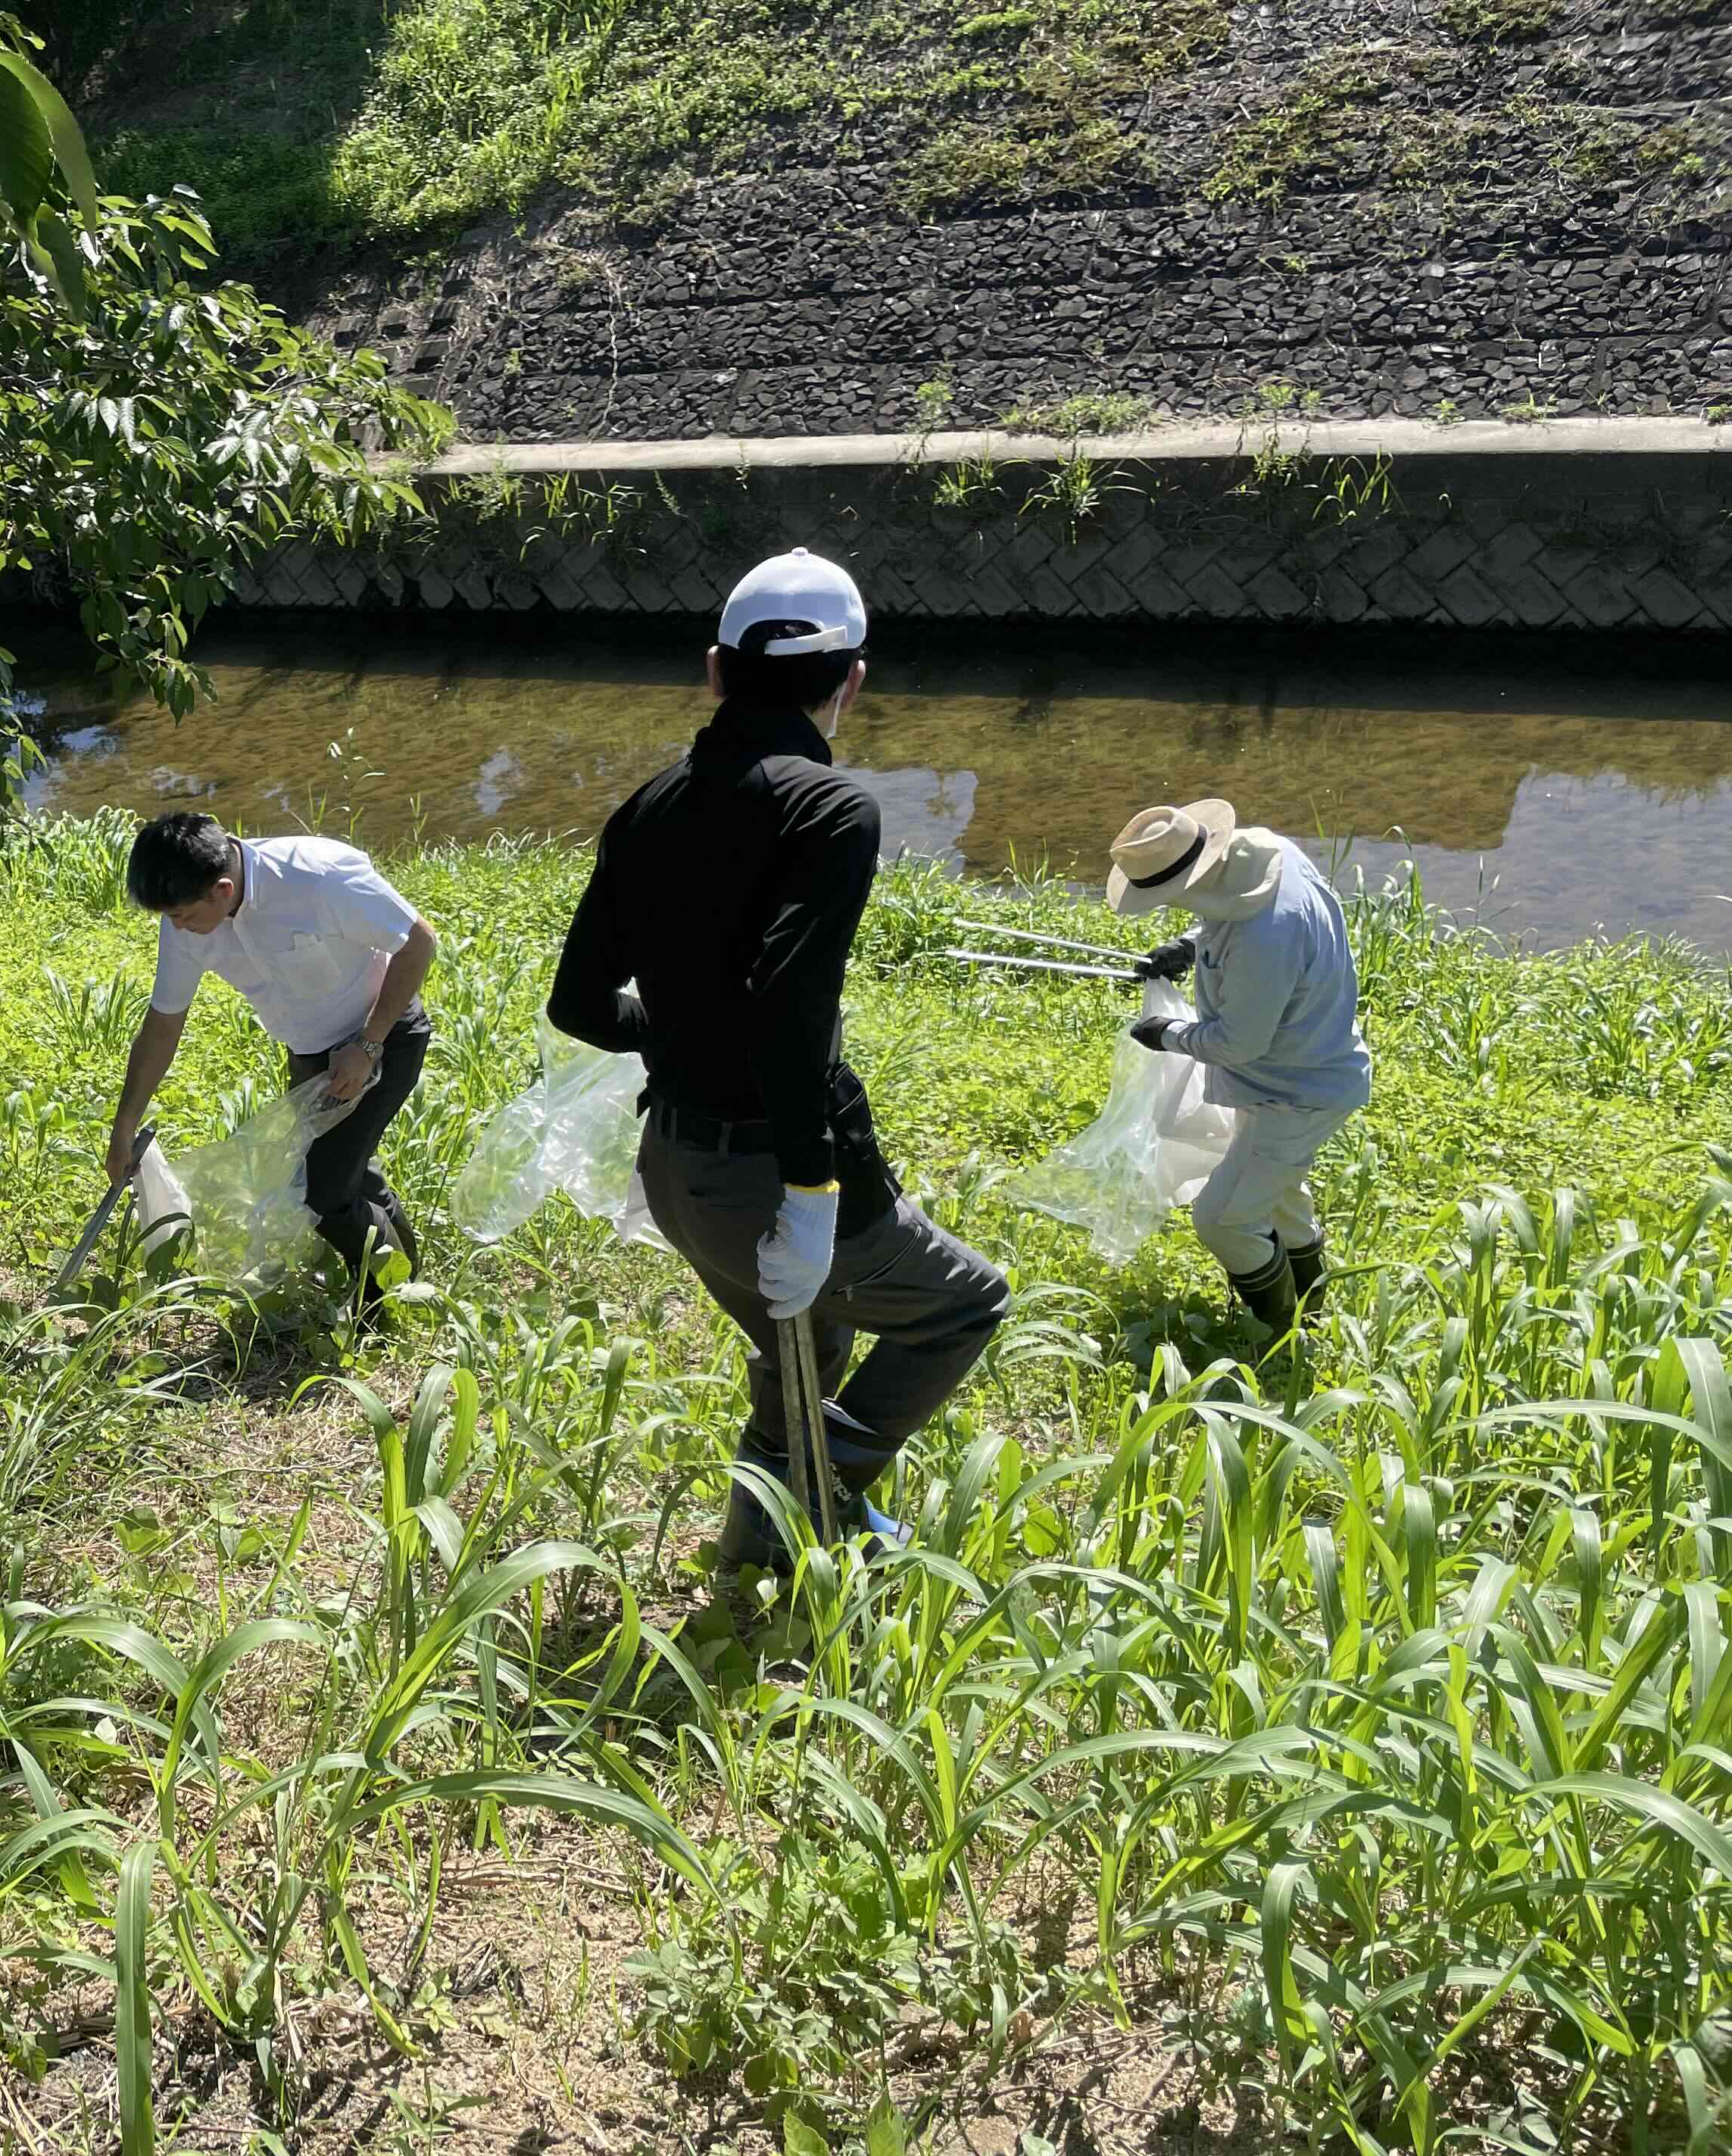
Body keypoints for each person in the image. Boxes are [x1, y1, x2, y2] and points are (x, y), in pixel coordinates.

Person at [547, 549, 1008, 1576]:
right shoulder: (832, 810)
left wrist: (669, 1037)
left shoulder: (648, 806)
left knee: (802, 1343)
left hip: (675, 1172)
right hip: (771, 1172)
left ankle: (760, 1540)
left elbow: (579, 1005)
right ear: (852, 681)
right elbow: (789, 1006)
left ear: (714, 672)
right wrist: (809, 1192)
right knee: (966, 1304)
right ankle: (821, 1488)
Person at [105, 813, 436, 1300]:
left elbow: (420, 941)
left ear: (221, 889)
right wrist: (125, 1123)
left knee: (322, 1195)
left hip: (383, 1038)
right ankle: (409, 1274)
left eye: (182, 915)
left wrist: (367, 1045)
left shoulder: (316, 877)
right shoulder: (185, 922)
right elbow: (163, 1025)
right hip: (311, 1055)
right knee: (347, 1170)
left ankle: (387, 1300)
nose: (176, 928)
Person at [1113, 800, 1372, 1328]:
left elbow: (1238, 1043)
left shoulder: (1264, 937)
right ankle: (1311, 1308)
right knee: (1278, 1193)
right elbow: (1229, 919)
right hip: (1311, 1065)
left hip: (1294, 1091)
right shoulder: (1267, 851)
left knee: (1223, 1220)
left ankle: (1279, 1333)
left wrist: (1167, 1035)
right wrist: (1190, 945)